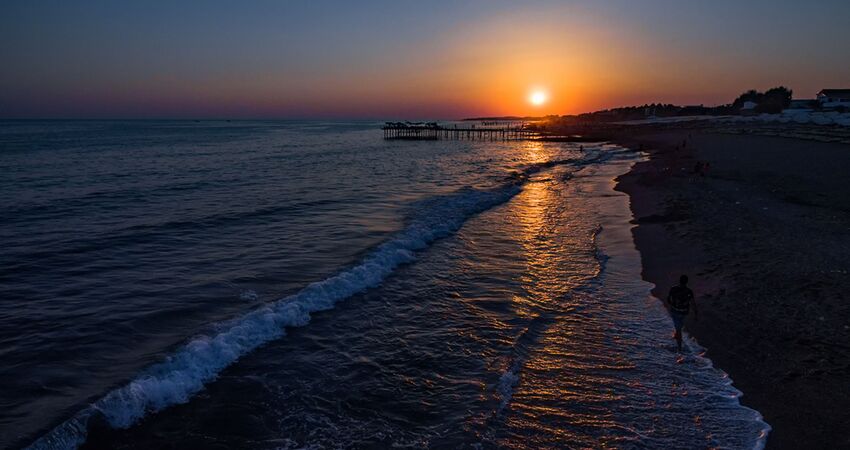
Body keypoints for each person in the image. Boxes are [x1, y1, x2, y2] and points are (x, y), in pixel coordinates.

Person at [666, 274, 698, 352]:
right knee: (679, 324)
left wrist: (671, 304)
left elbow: (668, 299)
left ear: (679, 280)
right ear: (686, 282)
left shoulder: (673, 289)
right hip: (684, 312)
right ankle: (676, 334)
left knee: (678, 328)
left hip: (674, 311)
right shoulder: (689, 291)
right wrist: (696, 313)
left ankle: (679, 348)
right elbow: (693, 303)